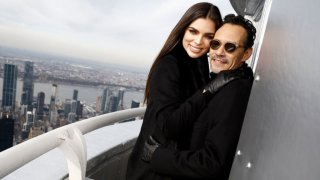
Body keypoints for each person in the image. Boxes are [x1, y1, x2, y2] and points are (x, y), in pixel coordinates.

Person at [126, 3, 249, 180]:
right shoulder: (169, 65)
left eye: (209, 37)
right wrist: (210, 88)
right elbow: (169, 126)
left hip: (170, 165)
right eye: (193, 31)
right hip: (152, 170)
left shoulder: (199, 64)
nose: (198, 42)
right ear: (183, 30)